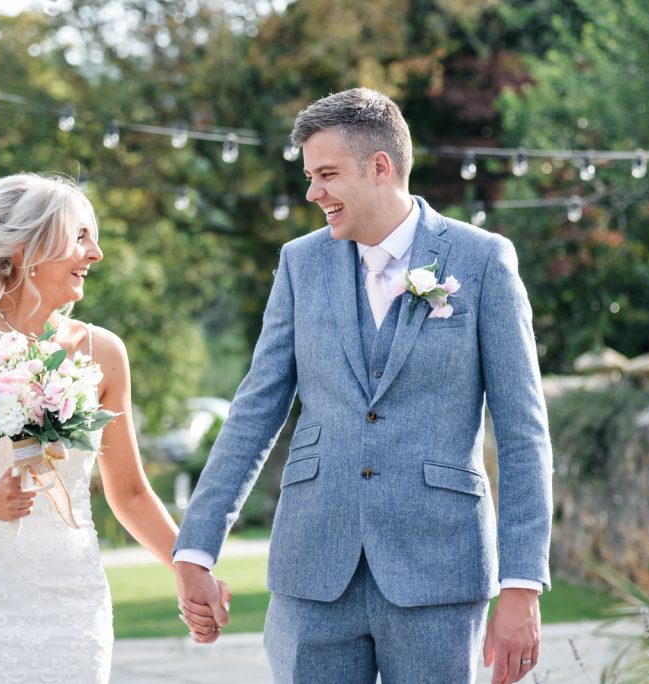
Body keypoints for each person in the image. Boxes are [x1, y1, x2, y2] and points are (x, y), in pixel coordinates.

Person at [173, 88, 553, 683]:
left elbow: (524, 431)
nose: (312, 192)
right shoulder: (300, 263)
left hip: (440, 571)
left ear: (380, 167)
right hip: (312, 570)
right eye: (308, 175)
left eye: (326, 174)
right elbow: (254, 410)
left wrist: (522, 584)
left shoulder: (482, 262)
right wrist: (196, 548)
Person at [0, 173, 226, 683]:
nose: (97, 253)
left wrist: (189, 569)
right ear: (26, 248)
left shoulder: (103, 353)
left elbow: (130, 492)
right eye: (81, 236)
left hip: (71, 604)